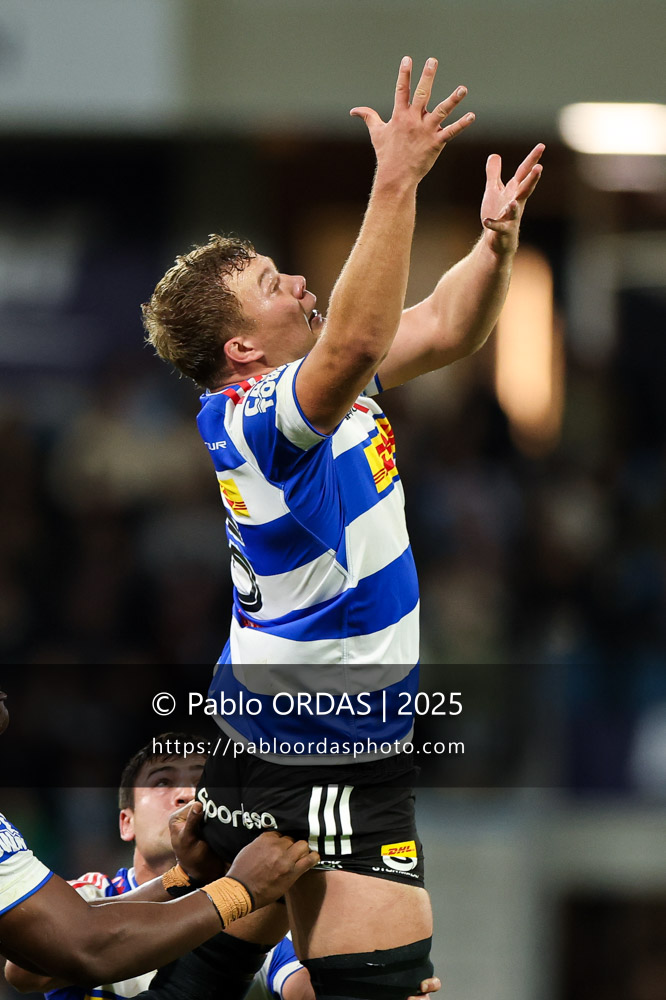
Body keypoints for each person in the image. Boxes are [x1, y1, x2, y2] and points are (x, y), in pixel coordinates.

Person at [142, 56, 544, 998]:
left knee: (211, 975)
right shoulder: (256, 418)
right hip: (326, 747)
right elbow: (362, 337)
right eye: (271, 281)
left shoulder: (318, 384)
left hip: (278, 730)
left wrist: (496, 246)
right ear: (242, 348)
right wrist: (395, 177)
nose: (297, 280)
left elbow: (447, 326)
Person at [0, 689, 319, 985]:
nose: (187, 795)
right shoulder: (88, 894)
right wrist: (236, 891)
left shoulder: (263, 915)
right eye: (162, 783)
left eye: (203, 783)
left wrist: (187, 880)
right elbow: (28, 968)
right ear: (126, 823)